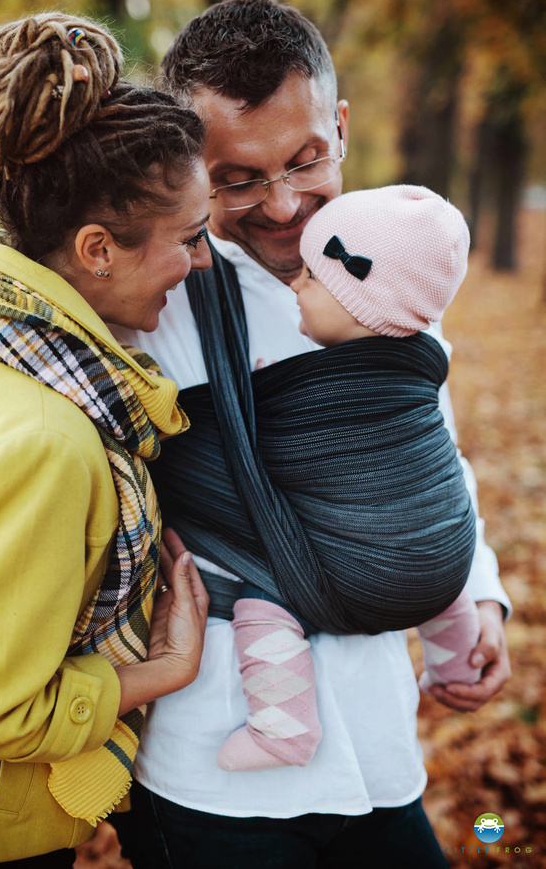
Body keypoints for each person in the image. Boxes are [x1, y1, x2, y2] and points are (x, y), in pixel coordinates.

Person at [112, 0, 511, 869]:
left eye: (305, 160)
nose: (285, 205)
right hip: (216, 764)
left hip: (378, 746)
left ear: (338, 126)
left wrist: (475, 592)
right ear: (192, 166)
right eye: (239, 178)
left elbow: (422, 457)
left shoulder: (393, 266)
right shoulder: (154, 304)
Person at [0, 12, 212, 867]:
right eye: (190, 238)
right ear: (98, 248)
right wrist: (161, 669)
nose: (204, 262)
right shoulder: (54, 443)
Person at [215, 184, 483, 773]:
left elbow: (277, 454)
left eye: (313, 276)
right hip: (441, 569)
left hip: (361, 578)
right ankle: (460, 662)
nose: (296, 283)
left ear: (361, 301)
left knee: (263, 604)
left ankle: (282, 729)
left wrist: (264, 397)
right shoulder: (421, 366)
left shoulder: (320, 388)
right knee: (435, 554)